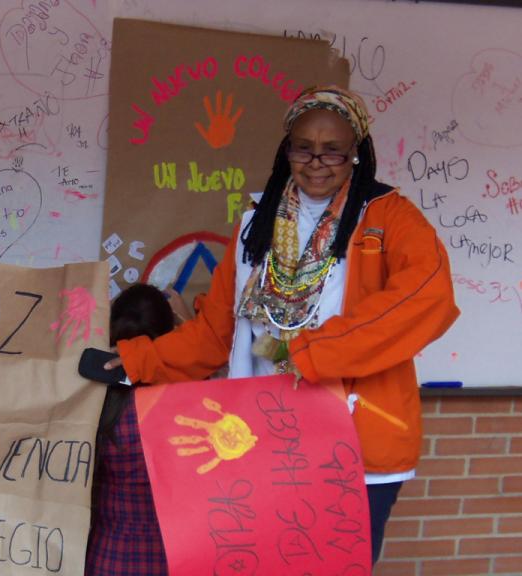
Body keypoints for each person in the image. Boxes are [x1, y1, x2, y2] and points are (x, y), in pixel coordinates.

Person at [103, 86, 459, 563]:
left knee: (329, 567)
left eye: (332, 149)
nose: (317, 161)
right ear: (286, 150)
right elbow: (216, 333)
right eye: (303, 147)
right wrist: (135, 359)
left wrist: (313, 351)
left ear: (356, 152)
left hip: (350, 448)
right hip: (259, 437)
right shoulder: (257, 222)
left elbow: (427, 299)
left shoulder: (390, 218)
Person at [86, 284, 183, 576]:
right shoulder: (189, 402)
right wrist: (186, 324)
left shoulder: (93, 398)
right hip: (174, 558)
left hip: (108, 557)